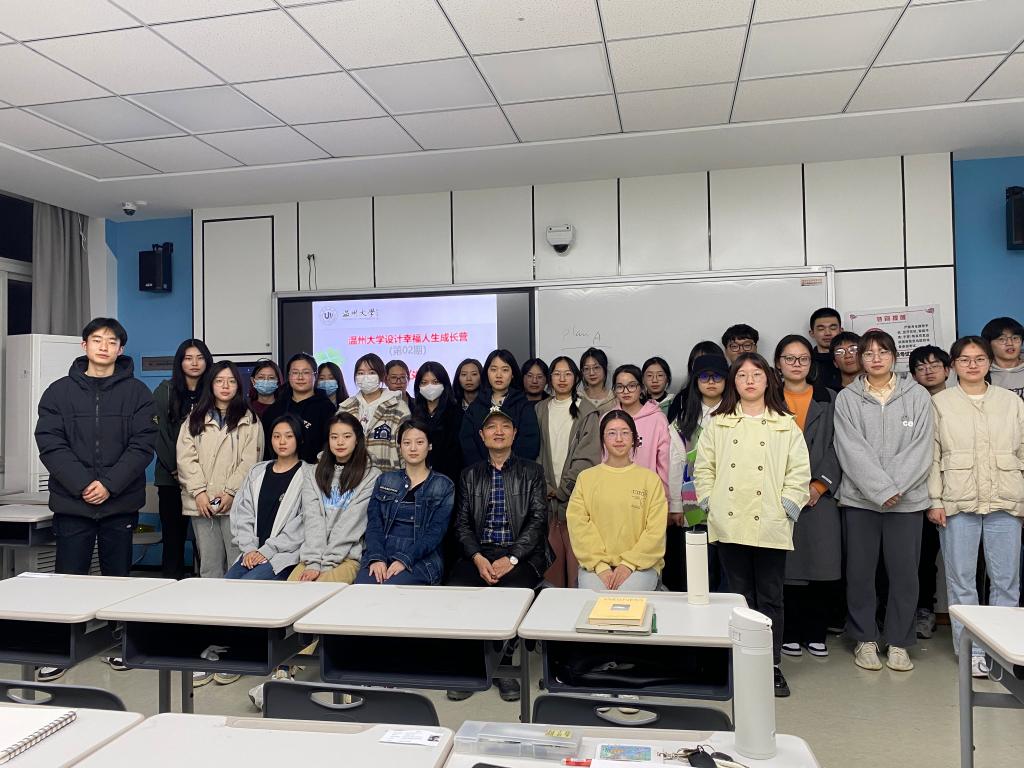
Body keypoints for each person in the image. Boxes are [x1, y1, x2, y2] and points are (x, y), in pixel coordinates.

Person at [34, 318, 156, 683]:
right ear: (84, 345)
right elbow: (50, 443)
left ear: (121, 349)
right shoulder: (58, 392)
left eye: (112, 341)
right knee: (69, 578)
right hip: (73, 503)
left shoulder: (138, 392)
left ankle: (121, 643)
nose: (104, 346)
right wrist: (84, 484)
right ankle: (61, 650)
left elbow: (142, 445)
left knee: (118, 577)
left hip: (119, 502)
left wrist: (109, 485)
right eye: (97, 340)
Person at [695, 352, 811, 698]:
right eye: (742, 375)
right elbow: (703, 468)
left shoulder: (784, 423)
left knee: (771, 597)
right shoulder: (719, 422)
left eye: (756, 374)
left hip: (770, 521)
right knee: (737, 596)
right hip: (730, 520)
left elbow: (799, 472)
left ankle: (770, 665)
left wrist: (786, 506)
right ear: (734, 381)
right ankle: (739, 662)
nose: (749, 381)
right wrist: (710, 502)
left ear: (768, 380)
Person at [834, 330, 934, 674]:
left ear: (894, 356)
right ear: (860, 359)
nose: (876, 358)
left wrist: (895, 488)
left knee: (905, 575)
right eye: (868, 353)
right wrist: (880, 489)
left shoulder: (917, 395)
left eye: (883, 352)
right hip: (860, 501)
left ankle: (899, 642)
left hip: (906, 501)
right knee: (860, 573)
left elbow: (922, 447)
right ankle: (864, 639)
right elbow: (850, 448)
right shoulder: (848, 398)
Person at [928, 336, 1024, 677]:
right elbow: (932, 457)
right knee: (961, 581)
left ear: (989, 363)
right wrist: (935, 501)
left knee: (1006, 582)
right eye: (965, 359)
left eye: (979, 358)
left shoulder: (1010, 402)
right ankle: (971, 653)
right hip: (956, 501)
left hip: (1006, 500)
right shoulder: (939, 403)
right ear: (953, 365)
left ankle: (1003, 652)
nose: (972, 365)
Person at [448, 405, 551, 703]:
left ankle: (504, 665)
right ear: (482, 435)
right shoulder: (469, 475)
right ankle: (473, 665)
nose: (498, 432)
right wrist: (478, 558)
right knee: (458, 589)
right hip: (480, 553)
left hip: (521, 554)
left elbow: (538, 521)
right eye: (492, 427)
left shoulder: (532, 472)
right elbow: (461, 524)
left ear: (514, 434)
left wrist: (512, 558)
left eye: (505, 427)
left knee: (511, 593)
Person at [774, 336, 842, 660]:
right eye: (789, 358)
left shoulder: (830, 398)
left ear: (811, 363)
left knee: (821, 564)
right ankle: (790, 631)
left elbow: (839, 446)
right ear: (778, 363)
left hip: (820, 495)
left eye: (803, 358)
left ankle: (816, 632)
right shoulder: (768, 398)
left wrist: (819, 485)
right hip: (779, 494)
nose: (796, 364)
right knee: (787, 568)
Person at [177, 361, 264, 580]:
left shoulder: (250, 420)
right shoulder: (194, 418)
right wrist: (199, 492)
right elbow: (186, 458)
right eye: (219, 381)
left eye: (231, 381)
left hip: (236, 503)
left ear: (238, 386)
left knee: (238, 562)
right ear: (211, 384)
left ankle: (236, 602)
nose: (225, 386)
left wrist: (232, 492)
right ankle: (211, 602)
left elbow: (250, 461)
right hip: (202, 503)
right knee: (209, 565)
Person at [568, 410, 668, 591]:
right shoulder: (586, 478)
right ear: (603, 439)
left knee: (627, 598)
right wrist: (600, 566)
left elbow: (655, 531)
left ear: (634, 438)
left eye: (625, 433)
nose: (619, 439)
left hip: (641, 565)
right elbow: (578, 526)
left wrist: (628, 564)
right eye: (612, 433)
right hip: (596, 566)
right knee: (596, 600)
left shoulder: (650, 480)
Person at [354, 419, 455, 585]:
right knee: (363, 587)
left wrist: (405, 559)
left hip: (421, 559)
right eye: (407, 443)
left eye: (420, 442)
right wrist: (377, 557)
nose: (413, 448)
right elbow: (374, 524)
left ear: (429, 446)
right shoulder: (385, 480)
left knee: (392, 588)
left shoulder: (443, 485)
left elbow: (435, 532)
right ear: (399, 447)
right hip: (382, 552)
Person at [290, 412, 382, 583]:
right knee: (290, 592)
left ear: (357, 439)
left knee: (320, 592)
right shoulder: (313, 473)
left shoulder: (371, 476)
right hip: (311, 557)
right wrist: (314, 562)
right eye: (334, 437)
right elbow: (313, 518)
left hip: (346, 557)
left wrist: (326, 565)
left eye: (347, 436)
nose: (340, 442)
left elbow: (352, 523)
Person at [665, 355, 728, 592]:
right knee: (700, 574)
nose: (711, 382)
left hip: (730, 503)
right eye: (704, 376)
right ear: (696, 381)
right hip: (694, 507)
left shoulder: (737, 414)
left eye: (717, 376)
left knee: (729, 574)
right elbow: (675, 464)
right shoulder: (683, 420)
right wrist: (676, 505)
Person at [537, 356, 601, 588]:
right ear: (550, 378)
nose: (562, 379)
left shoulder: (588, 411)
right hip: (546, 500)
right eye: (556, 374)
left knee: (577, 567)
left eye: (567, 374)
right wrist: (545, 486)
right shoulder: (539, 409)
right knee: (550, 568)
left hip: (574, 498)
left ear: (576, 378)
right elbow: (534, 451)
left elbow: (588, 456)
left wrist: (565, 488)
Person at [153, 338, 212, 579]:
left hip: (207, 480)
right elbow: (159, 434)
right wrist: (178, 470)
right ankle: (171, 586)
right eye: (188, 358)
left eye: (199, 358)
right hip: (171, 479)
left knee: (208, 541)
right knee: (173, 540)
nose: (194, 363)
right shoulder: (165, 391)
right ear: (180, 362)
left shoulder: (214, 391)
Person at [227, 413, 308, 582]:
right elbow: (242, 512)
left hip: (284, 556)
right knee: (227, 584)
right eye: (276, 436)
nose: (282, 442)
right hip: (251, 553)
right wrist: (249, 549)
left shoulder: (308, 475)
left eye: (289, 436)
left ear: (299, 439)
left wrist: (266, 551)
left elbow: (303, 524)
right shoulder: (257, 471)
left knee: (249, 585)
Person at [909, 344, 952, 639]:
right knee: (923, 558)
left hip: (957, 491)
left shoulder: (959, 400)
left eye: (935, 365)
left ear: (947, 370)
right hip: (920, 493)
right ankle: (924, 610)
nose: (928, 371)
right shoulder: (911, 403)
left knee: (965, 562)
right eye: (921, 367)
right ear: (913, 375)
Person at [460, 349, 541, 465]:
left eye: (505, 370)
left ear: (512, 374)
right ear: (487, 373)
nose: (498, 375)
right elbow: (467, 442)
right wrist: (484, 469)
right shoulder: (475, 406)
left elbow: (529, 443)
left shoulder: (523, 405)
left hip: (517, 472)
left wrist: (509, 468)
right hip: (480, 472)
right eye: (493, 369)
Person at [339, 353, 410, 471]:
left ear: (382, 376)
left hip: (388, 475)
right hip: (352, 474)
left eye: (372, 372)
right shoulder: (346, 407)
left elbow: (406, 447)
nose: (366, 377)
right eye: (360, 373)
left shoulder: (398, 407)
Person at [261, 353, 336, 465]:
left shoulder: (327, 409)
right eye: (295, 373)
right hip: (279, 470)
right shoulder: (274, 410)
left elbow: (330, 446)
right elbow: (267, 449)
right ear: (288, 376)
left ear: (315, 376)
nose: (300, 377)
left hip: (315, 471)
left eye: (306, 372)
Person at [612, 364, 670, 497]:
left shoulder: (657, 419)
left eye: (632, 385)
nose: (626, 391)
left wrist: (665, 498)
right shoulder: (608, 419)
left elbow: (664, 464)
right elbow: (603, 458)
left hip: (649, 494)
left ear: (642, 388)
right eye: (620, 387)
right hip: (615, 492)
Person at [411, 361, 464, 484]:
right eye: (424, 382)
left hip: (449, 478)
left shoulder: (456, 412)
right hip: (419, 478)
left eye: (435, 382)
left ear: (444, 384)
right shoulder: (415, 413)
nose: (430, 387)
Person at [981, 316, 1024, 400]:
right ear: (988, 344)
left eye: (1015, 338)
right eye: (1002, 339)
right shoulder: (981, 373)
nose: (1010, 343)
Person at [809, 307, 844, 391]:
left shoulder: (851, 360)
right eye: (821, 329)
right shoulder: (806, 362)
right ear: (812, 333)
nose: (827, 333)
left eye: (833, 328)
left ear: (841, 331)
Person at [579, 347, 615, 411]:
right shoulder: (578, 397)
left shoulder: (615, 398)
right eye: (586, 368)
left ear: (604, 369)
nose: (591, 373)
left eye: (596, 367)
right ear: (582, 372)